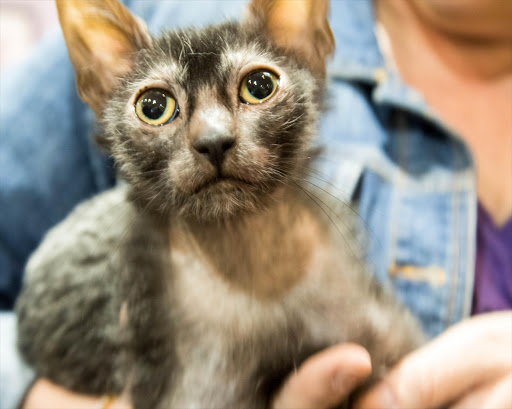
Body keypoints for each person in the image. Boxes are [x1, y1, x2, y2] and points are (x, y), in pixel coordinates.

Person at [1, 0, 510, 408]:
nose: (213, 134)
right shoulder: (164, 10)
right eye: (156, 107)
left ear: (309, 45)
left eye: (257, 86)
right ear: (100, 82)